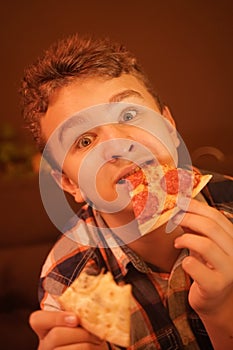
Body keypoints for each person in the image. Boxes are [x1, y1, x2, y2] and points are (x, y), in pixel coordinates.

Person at [20, 34, 233, 350]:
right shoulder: (66, 278)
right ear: (70, 183)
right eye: (85, 141)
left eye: (129, 115)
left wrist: (223, 315)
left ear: (169, 126)